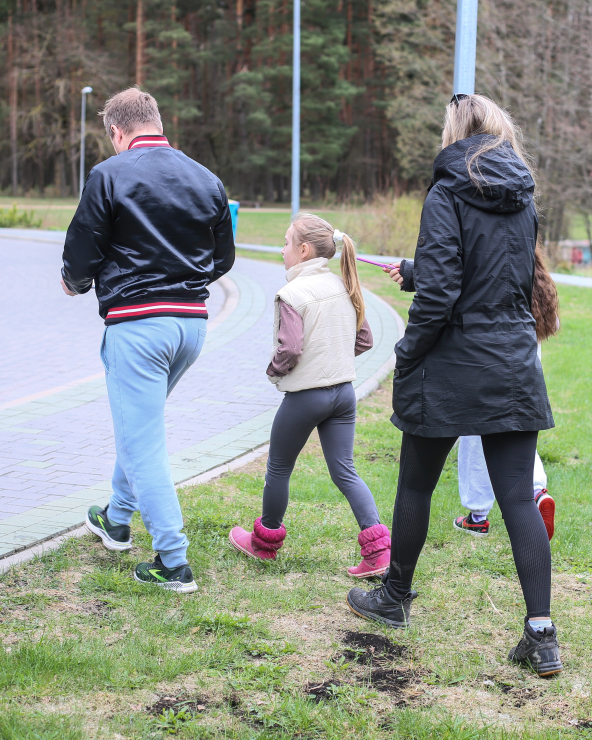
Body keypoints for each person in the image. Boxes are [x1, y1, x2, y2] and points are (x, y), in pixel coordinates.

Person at [346, 93, 562, 677]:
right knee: (517, 496)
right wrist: (416, 272)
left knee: (416, 484)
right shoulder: (523, 198)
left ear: (454, 133)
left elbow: (443, 294)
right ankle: (542, 634)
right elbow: (500, 277)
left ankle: (393, 598)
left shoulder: (445, 192)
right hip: (513, 357)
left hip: (451, 360)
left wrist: (408, 349)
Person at [61, 87, 235, 594]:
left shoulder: (108, 174)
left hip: (137, 325)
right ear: (157, 121)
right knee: (139, 429)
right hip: (191, 325)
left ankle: (173, 562)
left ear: (117, 131)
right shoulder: (207, 178)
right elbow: (222, 258)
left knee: (143, 443)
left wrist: (74, 281)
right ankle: (116, 519)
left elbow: (82, 250)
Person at [228, 213, 391, 577]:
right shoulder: (344, 284)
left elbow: (290, 351)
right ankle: (380, 552)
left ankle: (264, 544)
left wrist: (273, 372)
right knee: (345, 471)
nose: (281, 249)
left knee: (279, 468)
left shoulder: (292, 293)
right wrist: (331, 356)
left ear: (303, 250)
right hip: (344, 394)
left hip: (306, 398)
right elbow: (364, 340)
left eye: (286, 243)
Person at [386, 251, 559, 540]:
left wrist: (417, 272)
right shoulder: (526, 265)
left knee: (475, 436)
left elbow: (461, 284)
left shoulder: (489, 255)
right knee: (515, 436)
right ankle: (537, 491)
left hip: (485, 354)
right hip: (523, 355)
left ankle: (477, 516)